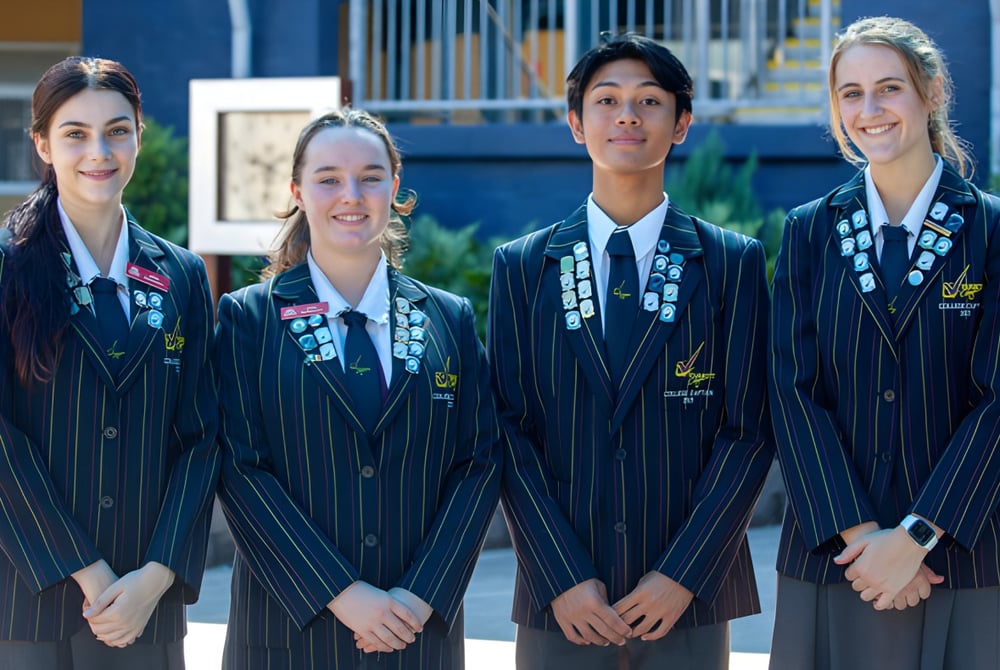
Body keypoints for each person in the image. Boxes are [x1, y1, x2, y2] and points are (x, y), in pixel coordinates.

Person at [488, 33, 773, 669]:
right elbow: (508, 429)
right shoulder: (524, 267)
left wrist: (683, 572)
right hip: (561, 600)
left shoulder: (730, 262)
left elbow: (749, 429)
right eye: (606, 99)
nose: (627, 115)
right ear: (574, 123)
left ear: (681, 125)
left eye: (649, 100)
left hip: (687, 598)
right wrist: (560, 573)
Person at [215, 108, 501, 669]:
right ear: (298, 190)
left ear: (395, 188)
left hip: (416, 633)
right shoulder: (250, 318)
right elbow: (239, 468)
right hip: (288, 634)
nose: (352, 193)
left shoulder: (449, 318)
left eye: (371, 176)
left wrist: (422, 594)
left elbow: (480, 463)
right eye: (328, 178)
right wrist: (342, 593)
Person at [768, 16, 1000, 669]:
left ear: (931, 93)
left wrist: (919, 534)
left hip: (966, 553)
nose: (869, 110)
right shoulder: (809, 231)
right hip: (835, 556)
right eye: (850, 93)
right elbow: (792, 390)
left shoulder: (990, 230)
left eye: (889, 88)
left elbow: (997, 401)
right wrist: (864, 535)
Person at [0, 57, 220, 669]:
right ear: (43, 143)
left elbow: (201, 438)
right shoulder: (7, 266)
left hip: (145, 606)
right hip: (26, 599)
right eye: (75, 133)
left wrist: (157, 574)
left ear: (138, 138)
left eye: (118, 131)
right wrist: (82, 565)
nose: (100, 151)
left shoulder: (180, 275)